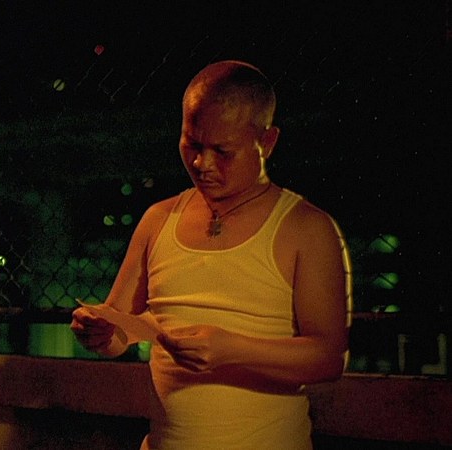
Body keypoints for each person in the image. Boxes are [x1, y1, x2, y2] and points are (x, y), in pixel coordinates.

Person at [70, 60, 352, 450]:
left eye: (223, 151)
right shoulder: (159, 219)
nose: (202, 164)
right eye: (192, 144)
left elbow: (327, 358)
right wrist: (100, 330)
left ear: (267, 143)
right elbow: (121, 327)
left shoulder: (306, 228)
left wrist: (231, 350)